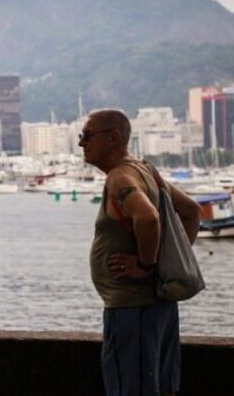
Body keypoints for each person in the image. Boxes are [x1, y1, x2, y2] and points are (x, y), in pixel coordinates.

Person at [83, 109, 201, 396]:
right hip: (159, 306)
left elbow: (147, 217)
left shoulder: (120, 177)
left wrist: (146, 266)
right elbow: (192, 212)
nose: (81, 144)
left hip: (131, 309)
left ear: (113, 138)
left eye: (86, 136)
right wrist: (162, 266)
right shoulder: (147, 171)